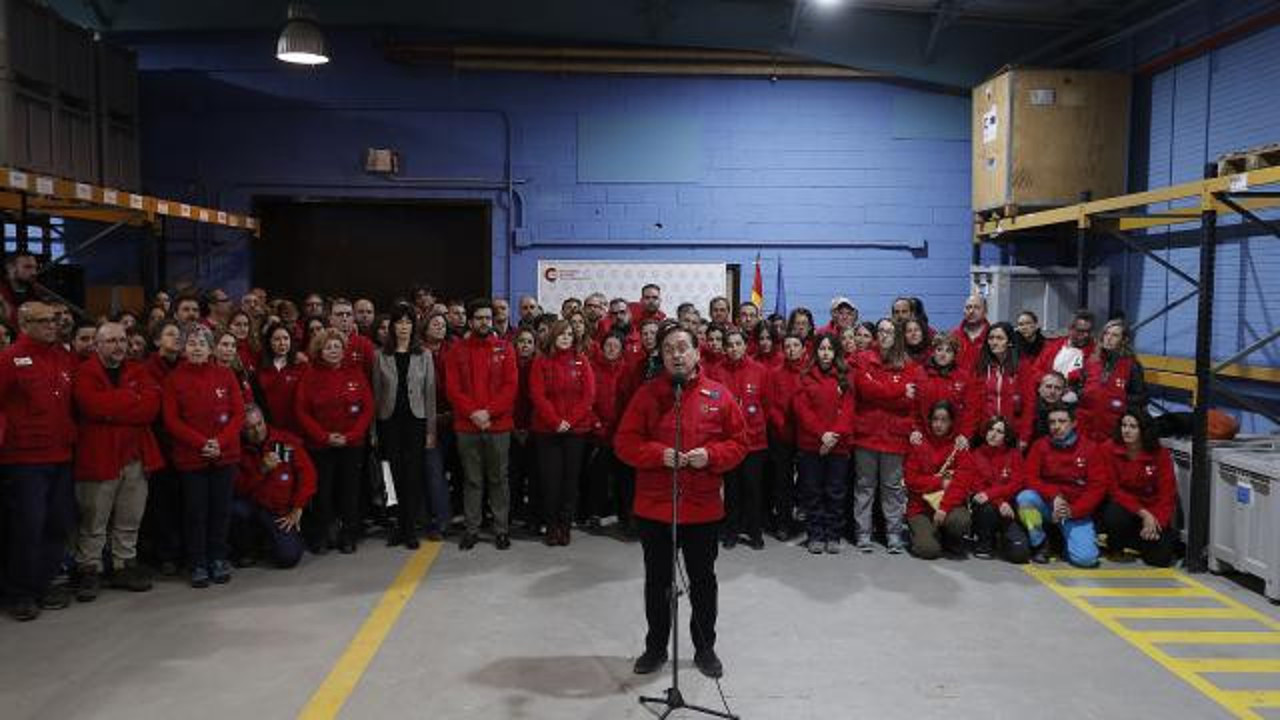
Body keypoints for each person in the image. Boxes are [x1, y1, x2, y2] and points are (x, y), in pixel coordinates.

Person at [615, 325, 747, 680]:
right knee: (658, 582)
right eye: (669, 348)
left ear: (696, 353)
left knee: (703, 581)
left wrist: (712, 455)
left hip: (702, 509)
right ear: (661, 355)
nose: (676, 354)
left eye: (683, 347)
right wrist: (659, 454)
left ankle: (705, 648)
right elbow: (624, 444)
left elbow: (739, 443)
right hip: (655, 508)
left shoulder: (718, 395)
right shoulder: (647, 395)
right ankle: (656, 647)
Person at [71, 322, 163, 600]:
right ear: (97, 345)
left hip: (135, 457)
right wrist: (129, 400)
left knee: (130, 516)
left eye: (122, 340)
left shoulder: (139, 369)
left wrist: (112, 407)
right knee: (93, 518)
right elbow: (91, 405)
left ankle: (124, 565)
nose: (119, 346)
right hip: (98, 457)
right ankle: (90, 569)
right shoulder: (84, 372)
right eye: (111, 341)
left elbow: (150, 408)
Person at [0, 302, 79, 620]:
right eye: (43, 320)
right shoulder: (9, 361)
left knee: (58, 522)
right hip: (24, 460)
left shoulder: (62, 357)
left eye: (54, 320)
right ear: (24, 324)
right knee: (26, 526)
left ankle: (42, 583)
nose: (52, 325)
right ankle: (19, 592)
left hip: (60, 454)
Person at [162, 324, 245, 588]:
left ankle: (218, 557)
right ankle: (197, 562)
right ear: (184, 348)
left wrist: (219, 442)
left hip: (225, 454)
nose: (197, 347)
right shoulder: (174, 379)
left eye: (202, 343)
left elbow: (238, 414)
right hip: (191, 458)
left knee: (221, 511)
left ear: (211, 348)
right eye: (192, 343)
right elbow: (172, 420)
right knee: (195, 511)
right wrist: (202, 443)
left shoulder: (226, 375)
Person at [445, 299, 518, 551]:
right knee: (472, 480)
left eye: (488, 318)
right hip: (467, 427)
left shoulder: (505, 348)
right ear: (470, 321)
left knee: (499, 479)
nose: (484, 322)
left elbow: (511, 386)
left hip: (498, 426)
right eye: (479, 318)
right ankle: (472, 530)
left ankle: (501, 530)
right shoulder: (457, 350)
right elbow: (453, 388)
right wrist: (473, 413)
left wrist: (489, 412)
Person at [294, 328, 374, 555]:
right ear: (319, 350)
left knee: (349, 492)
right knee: (323, 492)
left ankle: (348, 535)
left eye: (337, 347)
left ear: (343, 349)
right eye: (328, 347)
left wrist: (350, 436)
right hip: (320, 446)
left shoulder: (355, 372)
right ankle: (322, 535)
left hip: (352, 444)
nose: (333, 351)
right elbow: (302, 411)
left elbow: (367, 408)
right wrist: (324, 436)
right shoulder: (309, 375)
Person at [852, 319, 923, 553]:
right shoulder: (863, 359)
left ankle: (893, 534)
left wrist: (885, 394)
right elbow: (864, 389)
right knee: (864, 486)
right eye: (881, 331)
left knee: (892, 488)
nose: (884, 335)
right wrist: (898, 392)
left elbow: (909, 402)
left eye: (890, 332)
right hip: (867, 435)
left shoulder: (909, 365)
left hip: (894, 437)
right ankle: (863, 533)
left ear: (897, 336)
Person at [371, 304, 438, 550]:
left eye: (407, 322)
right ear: (391, 327)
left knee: (413, 474)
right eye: (398, 323)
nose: (403, 327)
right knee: (391, 475)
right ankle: (398, 526)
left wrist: (431, 431)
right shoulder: (380, 355)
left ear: (414, 326)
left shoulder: (425, 354)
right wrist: (374, 431)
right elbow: (376, 397)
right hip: (389, 423)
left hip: (416, 422)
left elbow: (429, 396)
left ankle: (410, 529)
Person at [1017, 403, 1111, 567]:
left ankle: (1064, 542)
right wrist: (1054, 495)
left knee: (1086, 560)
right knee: (1025, 499)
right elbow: (1029, 477)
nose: (1056, 426)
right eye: (1052, 422)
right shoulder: (1040, 445)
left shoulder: (1090, 448)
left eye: (1062, 421)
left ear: (1074, 423)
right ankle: (1040, 541)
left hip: (1075, 510)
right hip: (1047, 505)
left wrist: (1072, 511)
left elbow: (1097, 487)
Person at [529, 319, 596, 546]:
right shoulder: (541, 361)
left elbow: (588, 396)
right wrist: (556, 421)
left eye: (569, 334)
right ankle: (551, 525)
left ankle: (565, 527)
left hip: (575, 431)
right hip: (547, 430)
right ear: (553, 337)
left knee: (569, 481)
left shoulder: (582, 360)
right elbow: (538, 395)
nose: (566, 337)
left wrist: (569, 421)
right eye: (561, 334)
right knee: (550, 481)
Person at [232, 405, 315, 568]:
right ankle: (247, 549)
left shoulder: (284, 442)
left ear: (264, 421)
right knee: (234, 509)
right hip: (253, 505)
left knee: (288, 558)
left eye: (259, 424)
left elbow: (307, 474)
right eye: (250, 428)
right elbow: (238, 488)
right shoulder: (238, 451)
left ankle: (282, 539)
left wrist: (298, 506)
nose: (257, 431)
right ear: (242, 430)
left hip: (278, 509)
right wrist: (261, 470)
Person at [793, 333, 855, 554]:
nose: (826, 353)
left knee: (835, 492)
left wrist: (834, 435)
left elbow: (848, 410)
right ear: (815, 351)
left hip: (838, 446)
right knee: (813, 491)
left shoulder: (845, 376)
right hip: (812, 445)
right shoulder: (805, 376)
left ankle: (833, 535)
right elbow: (802, 410)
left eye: (830, 349)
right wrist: (822, 435)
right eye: (822, 348)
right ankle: (816, 534)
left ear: (836, 351)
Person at [1100, 409, 1177, 567]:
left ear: (1144, 430)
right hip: (1124, 507)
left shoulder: (1160, 454)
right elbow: (1113, 490)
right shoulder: (1107, 449)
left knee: (1160, 560)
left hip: (1152, 508)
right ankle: (1117, 544)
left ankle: (1139, 540)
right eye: (1124, 425)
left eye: (1133, 426)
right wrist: (1144, 514)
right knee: (1114, 514)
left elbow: (1167, 493)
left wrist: (1158, 522)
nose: (1126, 430)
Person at [718, 328, 770, 550]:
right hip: (729, 442)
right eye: (729, 345)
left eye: (738, 344)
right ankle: (731, 530)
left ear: (745, 345)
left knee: (753, 488)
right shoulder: (717, 371)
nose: (733, 348)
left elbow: (766, 404)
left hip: (754, 442)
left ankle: (754, 531)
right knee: (731, 489)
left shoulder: (759, 370)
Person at [904, 402, 974, 559]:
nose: (938, 424)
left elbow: (961, 484)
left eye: (944, 420)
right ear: (929, 421)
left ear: (951, 422)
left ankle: (949, 536)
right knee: (928, 550)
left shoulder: (959, 446)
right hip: (920, 509)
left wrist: (943, 508)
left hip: (947, 507)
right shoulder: (918, 443)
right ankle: (923, 535)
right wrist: (940, 482)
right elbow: (911, 480)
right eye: (935, 419)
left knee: (960, 521)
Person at [968, 416, 1030, 563]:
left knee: (1020, 554)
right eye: (990, 429)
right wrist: (999, 501)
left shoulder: (1014, 455)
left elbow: (1019, 483)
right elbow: (976, 486)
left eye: (999, 431)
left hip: (1009, 510)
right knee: (985, 505)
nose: (993, 434)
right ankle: (984, 543)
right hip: (987, 509)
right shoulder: (975, 455)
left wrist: (993, 495)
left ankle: (1003, 537)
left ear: (1006, 436)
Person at [588, 332, 632, 536]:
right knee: (598, 477)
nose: (612, 348)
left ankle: (626, 517)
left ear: (622, 348)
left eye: (616, 345)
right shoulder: (592, 368)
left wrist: (622, 429)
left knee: (624, 478)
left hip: (622, 434)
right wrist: (597, 424)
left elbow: (632, 403)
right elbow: (587, 400)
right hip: (599, 433)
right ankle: (595, 514)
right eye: (608, 345)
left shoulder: (628, 371)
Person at [1077, 319, 1148, 442]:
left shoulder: (1131, 365)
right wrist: (1080, 394)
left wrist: (1117, 401)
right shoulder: (1091, 361)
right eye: (1106, 333)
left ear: (1123, 340)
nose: (1109, 338)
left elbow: (1141, 397)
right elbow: (1079, 385)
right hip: (1086, 424)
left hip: (1113, 427)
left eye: (1115, 335)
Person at [766, 334, 807, 541]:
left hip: (806, 435)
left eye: (795, 345)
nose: (791, 349)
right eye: (787, 346)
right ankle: (783, 522)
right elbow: (771, 405)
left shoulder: (809, 372)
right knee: (782, 482)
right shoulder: (774, 373)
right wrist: (782, 428)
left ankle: (804, 521)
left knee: (807, 481)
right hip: (781, 436)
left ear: (803, 348)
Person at [913, 332, 982, 444]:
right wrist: (915, 430)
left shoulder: (965, 377)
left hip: (955, 440)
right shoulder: (919, 374)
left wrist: (965, 434)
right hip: (924, 438)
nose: (943, 354)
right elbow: (913, 407)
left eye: (948, 351)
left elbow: (971, 409)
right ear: (933, 352)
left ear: (955, 355)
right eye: (939, 349)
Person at [976, 322, 1032, 441]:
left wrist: (1024, 435)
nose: (994, 342)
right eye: (991, 338)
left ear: (1010, 342)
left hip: (1012, 433)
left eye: (1000, 338)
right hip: (986, 432)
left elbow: (1029, 404)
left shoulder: (1022, 366)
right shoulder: (981, 366)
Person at [257, 321, 308, 435]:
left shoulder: (301, 366)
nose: (282, 343)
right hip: (271, 427)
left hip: (298, 427)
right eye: (277, 339)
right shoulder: (260, 366)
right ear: (269, 342)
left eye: (286, 338)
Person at [1037, 309, 1096, 399]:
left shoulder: (1094, 352)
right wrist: (1049, 381)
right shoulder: (1053, 347)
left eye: (1088, 331)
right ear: (1070, 329)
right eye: (1081, 331)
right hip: (1047, 398)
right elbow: (1036, 370)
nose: (1086, 335)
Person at [330, 298, 376, 377]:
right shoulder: (322, 343)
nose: (344, 318)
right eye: (339, 314)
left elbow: (370, 375)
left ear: (353, 318)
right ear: (330, 319)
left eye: (348, 314)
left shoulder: (365, 344)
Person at [1, 251, 41, 326]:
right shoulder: (2, 292)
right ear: (10, 268)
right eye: (27, 267)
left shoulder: (38, 293)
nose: (34, 272)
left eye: (35, 268)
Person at [954, 295, 989, 372]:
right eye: (968, 307)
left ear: (985, 311)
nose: (971, 311)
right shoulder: (954, 336)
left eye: (976, 307)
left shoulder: (992, 336)